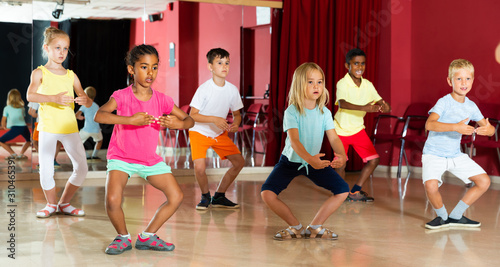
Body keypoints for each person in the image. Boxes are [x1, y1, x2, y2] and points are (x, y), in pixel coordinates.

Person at [94, 44, 193, 255]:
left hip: (150, 160)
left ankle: (147, 237)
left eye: (155, 67)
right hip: (121, 156)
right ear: (131, 69)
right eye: (144, 67)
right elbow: (100, 115)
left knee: (176, 196)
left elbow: (189, 120)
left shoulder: (162, 100)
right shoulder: (121, 96)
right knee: (112, 200)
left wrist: (179, 124)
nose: (150, 73)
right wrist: (129, 119)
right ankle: (122, 237)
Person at [261, 62, 348, 240]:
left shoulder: (325, 113)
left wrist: (342, 155)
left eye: (320, 81)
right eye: (310, 82)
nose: (316, 86)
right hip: (290, 161)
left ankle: (315, 227)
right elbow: (294, 142)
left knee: (343, 190)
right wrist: (310, 159)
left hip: (314, 162)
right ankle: (295, 227)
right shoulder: (292, 111)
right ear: (300, 85)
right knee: (267, 194)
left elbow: (333, 138)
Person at [26, 27, 91, 218]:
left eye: (65, 48)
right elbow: (30, 94)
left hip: (70, 128)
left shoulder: (71, 75)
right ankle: (51, 204)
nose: (62, 52)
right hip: (48, 127)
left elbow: (86, 98)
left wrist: (84, 100)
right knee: (46, 169)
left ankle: (64, 203)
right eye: (57, 48)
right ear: (47, 48)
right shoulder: (39, 73)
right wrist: (53, 98)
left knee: (82, 167)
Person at [423, 59, 494, 230]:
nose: (464, 83)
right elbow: (429, 125)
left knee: (484, 182)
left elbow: (489, 128)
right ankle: (442, 217)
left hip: (455, 155)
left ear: (473, 81)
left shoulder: (471, 106)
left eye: (468, 79)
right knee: (431, 185)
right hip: (434, 153)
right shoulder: (444, 102)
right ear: (450, 81)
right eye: (459, 79)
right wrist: (456, 127)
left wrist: (488, 129)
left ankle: (456, 216)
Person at [189, 48, 245, 210]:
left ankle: (219, 196)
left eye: (227, 63)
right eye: (219, 63)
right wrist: (214, 119)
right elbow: (193, 115)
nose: (224, 66)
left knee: (239, 162)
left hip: (219, 133)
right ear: (210, 67)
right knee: (199, 167)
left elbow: (237, 114)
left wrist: (236, 123)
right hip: (199, 132)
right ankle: (205, 196)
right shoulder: (204, 89)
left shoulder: (232, 90)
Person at [334, 48, 391, 202]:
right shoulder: (342, 83)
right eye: (356, 64)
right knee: (340, 164)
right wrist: (365, 108)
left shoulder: (367, 85)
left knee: (374, 160)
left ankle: (355, 192)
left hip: (358, 130)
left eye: (363, 64)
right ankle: (341, 194)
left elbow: (381, 101)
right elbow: (343, 103)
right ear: (348, 66)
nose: (359, 67)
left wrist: (385, 106)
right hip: (340, 130)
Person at [28, 102, 62, 168]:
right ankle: (47, 160)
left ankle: (47, 160)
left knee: (36, 141)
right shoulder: (36, 96)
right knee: (36, 141)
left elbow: (31, 112)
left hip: (45, 122)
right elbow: (31, 112)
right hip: (44, 122)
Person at [0, 89, 31, 159]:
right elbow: (22, 117)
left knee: (1, 141)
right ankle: (20, 154)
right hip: (24, 127)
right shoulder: (22, 108)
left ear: (9, 98)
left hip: (16, 128)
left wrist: (4, 126)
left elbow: (3, 119)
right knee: (28, 141)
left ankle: (13, 154)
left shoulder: (7, 108)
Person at [76, 86, 103, 160]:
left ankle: (86, 156)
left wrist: (79, 117)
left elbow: (76, 115)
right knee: (99, 141)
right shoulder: (96, 106)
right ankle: (94, 156)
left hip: (86, 130)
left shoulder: (85, 105)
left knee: (78, 142)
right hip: (96, 130)